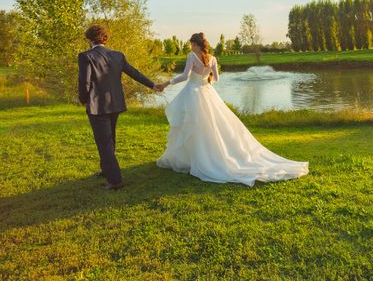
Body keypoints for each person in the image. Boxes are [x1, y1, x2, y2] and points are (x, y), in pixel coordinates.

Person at [156, 32, 308, 186]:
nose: (190, 46)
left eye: (191, 44)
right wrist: (205, 79)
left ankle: (196, 159)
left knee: (193, 125)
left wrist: (166, 83)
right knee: (209, 126)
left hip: (193, 93)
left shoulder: (191, 56)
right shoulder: (212, 58)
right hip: (207, 92)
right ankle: (201, 157)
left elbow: (184, 76)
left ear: (195, 44)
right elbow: (216, 78)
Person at [78, 25, 164, 190]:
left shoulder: (86, 56)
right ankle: (107, 170)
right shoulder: (117, 55)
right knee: (110, 139)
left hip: (97, 106)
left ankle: (115, 181)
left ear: (89, 40)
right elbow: (134, 72)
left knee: (104, 142)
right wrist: (152, 85)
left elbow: (85, 82)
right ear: (105, 39)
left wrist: (83, 99)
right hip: (115, 103)